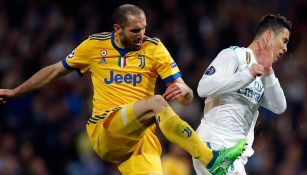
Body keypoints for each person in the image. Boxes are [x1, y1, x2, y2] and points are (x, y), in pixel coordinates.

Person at [0, 4, 247, 175]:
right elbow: (54, 71)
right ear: (117, 29)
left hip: (140, 142)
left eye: (144, 28)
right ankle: (212, 159)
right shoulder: (94, 46)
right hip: (105, 128)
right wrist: (16, 91)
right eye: (135, 30)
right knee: (157, 102)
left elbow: (184, 93)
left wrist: (184, 92)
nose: (142, 35)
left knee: (158, 103)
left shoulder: (154, 48)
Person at [193, 14, 291, 175]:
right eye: (284, 40)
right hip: (215, 145)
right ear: (268, 35)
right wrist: (246, 75)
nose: (285, 48)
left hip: (234, 155)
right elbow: (203, 88)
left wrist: (268, 71)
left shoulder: (264, 74)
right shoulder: (234, 55)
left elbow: (279, 107)